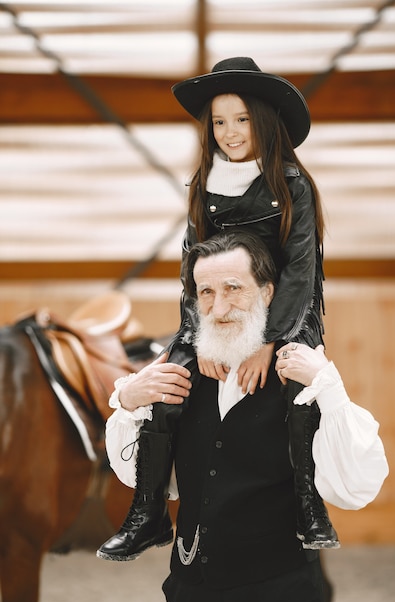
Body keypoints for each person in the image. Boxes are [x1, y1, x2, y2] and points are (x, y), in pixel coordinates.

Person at [97, 56, 337, 562]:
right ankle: (148, 513)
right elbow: (191, 276)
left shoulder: (293, 184)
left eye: (241, 119)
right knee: (166, 383)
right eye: (220, 121)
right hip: (214, 314)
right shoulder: (201, 188)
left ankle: (307, 503)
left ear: (263, 120)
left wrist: (268, 342)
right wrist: (197, 340)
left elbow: (298, 273)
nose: (229, 132)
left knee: (300, 387)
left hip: (284, 314)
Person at [102, 231, 389, 602]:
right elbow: (144, 478)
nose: (218, 307)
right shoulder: (177, 377)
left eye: (233, 288)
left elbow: (355, 489)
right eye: (206, 292)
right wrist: (129, 403)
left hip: (282, 597)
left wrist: (330, 387)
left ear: (268, 292)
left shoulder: (301, 379)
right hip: (192, 594)